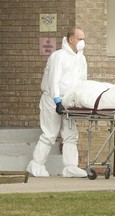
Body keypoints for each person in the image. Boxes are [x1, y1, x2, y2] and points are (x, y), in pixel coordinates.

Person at [27, 27, 88, 177]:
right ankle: (36, 165)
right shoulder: (58, 56)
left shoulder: (81, 58)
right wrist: (57, 101)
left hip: (69, 101)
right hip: (52, 100)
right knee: (49, 134)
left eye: (84, 39)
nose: (83, 42)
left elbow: (82, 80)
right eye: (80, 39)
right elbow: (53, 80)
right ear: (71, 39)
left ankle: (70, 167)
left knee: (70, 135)